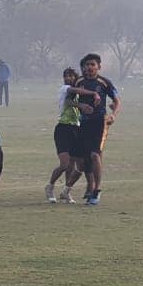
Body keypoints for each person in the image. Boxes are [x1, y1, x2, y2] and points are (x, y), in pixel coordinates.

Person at [72, 54, 120, 206]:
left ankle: (96, 190)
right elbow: (69, 100)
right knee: (83, 159)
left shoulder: (104, 82)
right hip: (83, 123)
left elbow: (117, 101)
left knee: (95, 154)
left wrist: (113, 114)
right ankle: (90, 185)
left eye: (92, 64)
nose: (89, 67)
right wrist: (80, 105)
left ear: (99, 66)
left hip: (100, 123)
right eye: (87, 65)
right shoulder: (79, 81)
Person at [46, 67, 85, 204]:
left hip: (76, 129)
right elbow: (70, 99)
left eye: (71, 76)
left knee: (75, 164)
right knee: (64, 164)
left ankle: (66, 191)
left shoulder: (79, 93)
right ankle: (50, 187)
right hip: (63, 128)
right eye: (66, 76)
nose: (68, 78)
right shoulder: (66, 89)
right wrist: (91, 92)